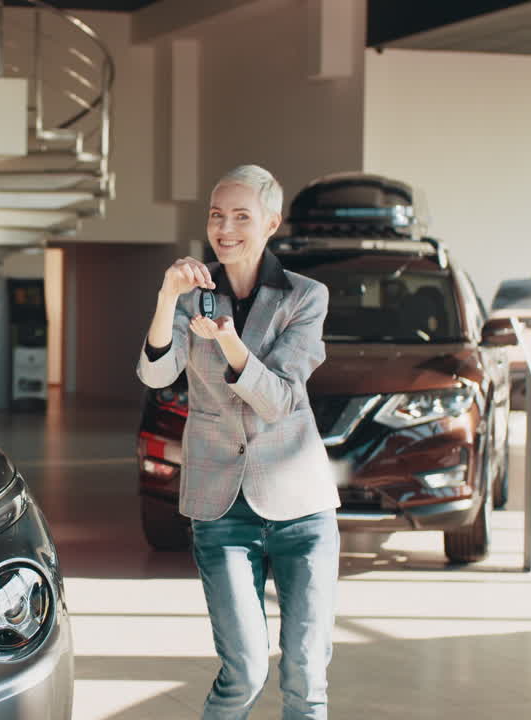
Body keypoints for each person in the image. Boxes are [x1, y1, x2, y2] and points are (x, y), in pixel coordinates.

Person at [137, 164, 340, 720]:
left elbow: (278, 400)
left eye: (241, 216)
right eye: (216, 215)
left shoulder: (305, 296)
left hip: (302, 507)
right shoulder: (192, 292)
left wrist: (229, 344)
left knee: (305, 676)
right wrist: (166, 297)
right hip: (220, 507)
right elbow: (156, 374)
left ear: (271, 223)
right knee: (244, 672)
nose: (225, 228)